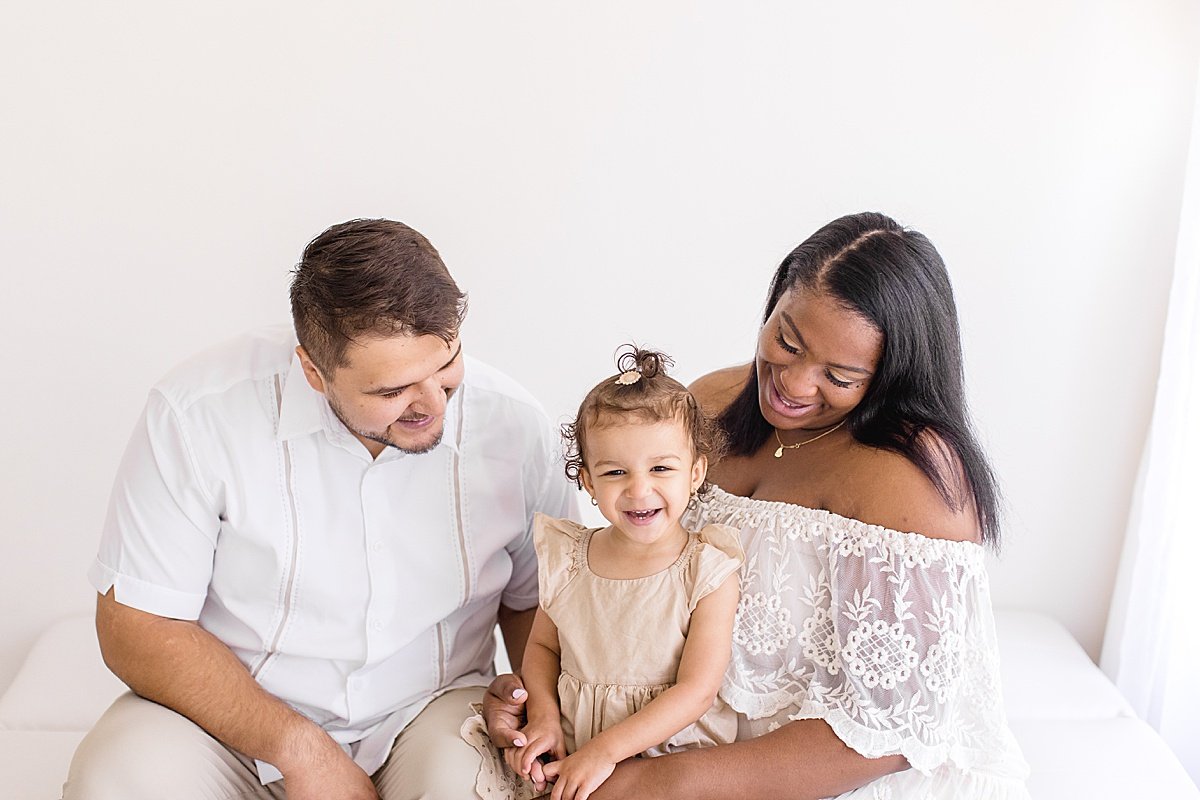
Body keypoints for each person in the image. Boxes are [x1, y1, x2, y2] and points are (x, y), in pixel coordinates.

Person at [484, 212, 1031, 799]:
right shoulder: (709, 402)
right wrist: (543, 698)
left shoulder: (915, 479)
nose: (793, 384)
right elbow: (639, 590)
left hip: (807, 780)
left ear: (891, 376)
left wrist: (662, 782)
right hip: (660, 745)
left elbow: (894, 730)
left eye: (839, 375)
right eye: (786, 341)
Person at [64, 219, 576, 800]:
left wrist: (537, 704)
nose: (435, 404)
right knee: (116, 780)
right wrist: (297, 748)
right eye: (393, 391)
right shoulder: (196, 412)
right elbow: (138, 625)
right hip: (228, 719)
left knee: (476, 789)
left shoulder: (516, 424)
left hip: (431, 709)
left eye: (448, 364)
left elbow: (540, 602)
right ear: (313, 369)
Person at [463, 346, 742, 800]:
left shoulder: (706, 570)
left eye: (660, 468)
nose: (638, 489)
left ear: (695, 472)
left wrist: (607, 751)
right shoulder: (570, 557)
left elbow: (697, 690)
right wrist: (546, 718)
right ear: (589, 481)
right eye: (615, 472)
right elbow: (541, 646)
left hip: (664, 757)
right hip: (574, 745)